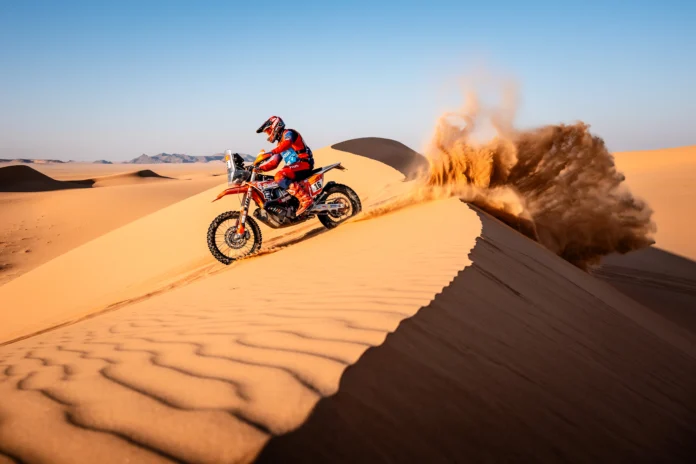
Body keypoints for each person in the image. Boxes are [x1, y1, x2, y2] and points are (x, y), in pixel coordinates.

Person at [254, 116, 315, 216]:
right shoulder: (280, 145)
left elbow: (288, 142)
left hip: (304, 163)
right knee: (272, 181)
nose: (268, 134)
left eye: (268, 130)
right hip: (294, 167)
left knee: (280, 175)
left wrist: (271, 152)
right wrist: (258, 168)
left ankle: (306, 199)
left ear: (275, 126)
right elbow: (274, 163)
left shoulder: (288, 133)